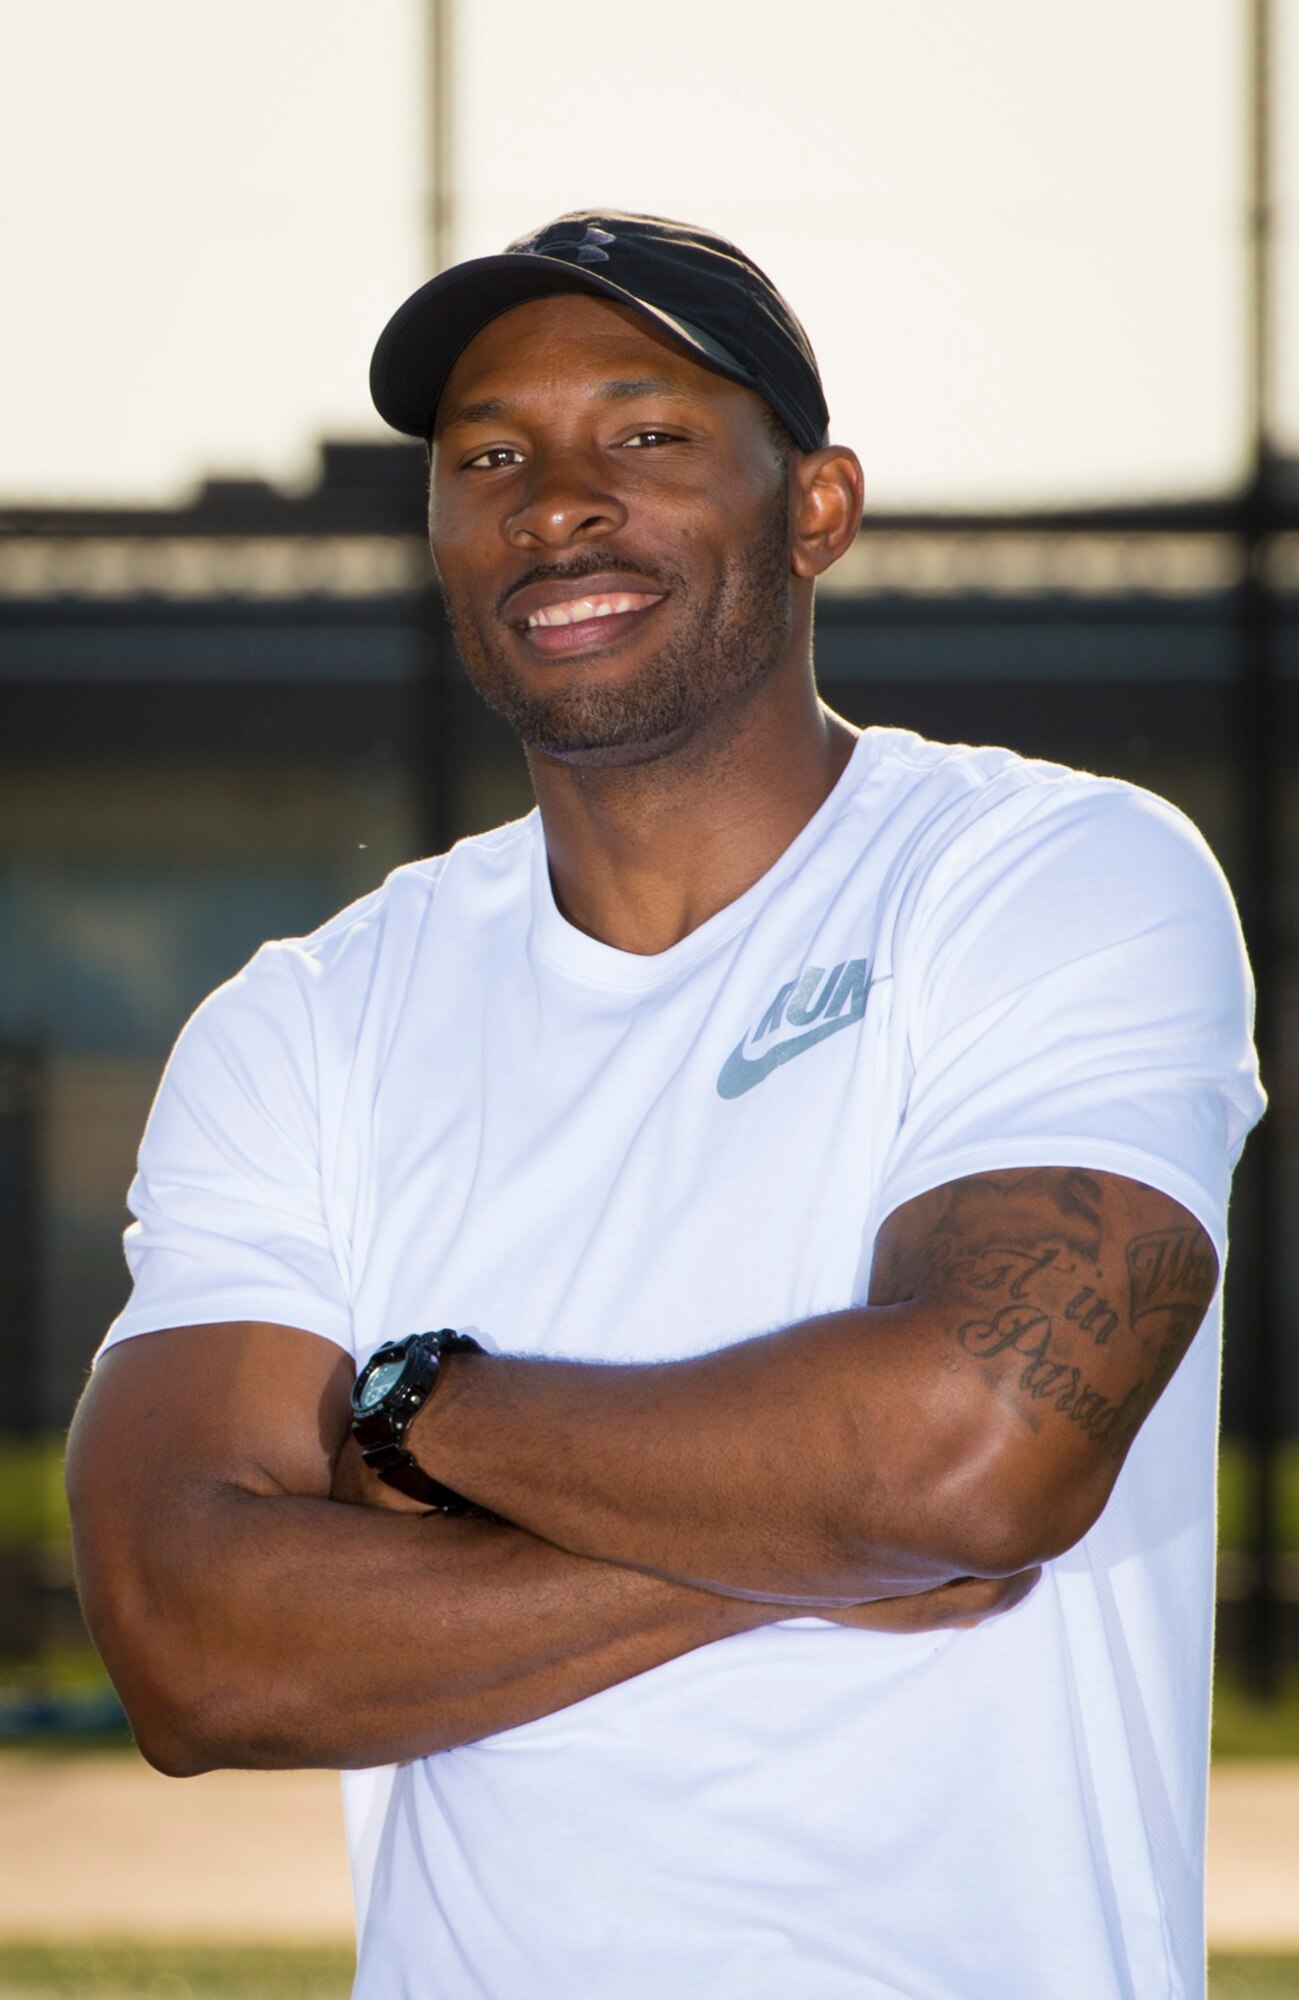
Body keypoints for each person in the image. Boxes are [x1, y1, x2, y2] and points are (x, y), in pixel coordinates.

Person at [67, 211, 1263, 2000]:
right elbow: (191, 1650)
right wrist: (838, 1543)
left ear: (818, 509)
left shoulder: (1049, 877)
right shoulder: (308, 1021)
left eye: (644, 435)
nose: (556, 501)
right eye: (490, 456)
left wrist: (421, 1414)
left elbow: (970, 1452)